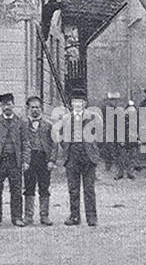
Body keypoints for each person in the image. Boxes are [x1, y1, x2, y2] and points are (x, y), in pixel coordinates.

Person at [0, 93, 27, 226]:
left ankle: (17, 217)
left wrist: (25, 161)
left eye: (9, 104)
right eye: (4, 104)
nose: (7, 107)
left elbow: (26, 143)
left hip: (15, 160)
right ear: (0, 107)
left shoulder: (21, 122)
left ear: (13, 105)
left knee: (16, 190)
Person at [61, 91, 101, 226]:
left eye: (80, 102)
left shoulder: (93, 118)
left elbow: (100, 136)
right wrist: (68, 147)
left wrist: (93, 149)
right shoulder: (66, 118)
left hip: (88, 156)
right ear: (71, 104)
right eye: (75, 102)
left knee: (89, 189)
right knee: (73, 189)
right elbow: (61, 136)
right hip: (72, 156)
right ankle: (74, 216)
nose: (77, 104)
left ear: (85, 103)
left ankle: (92, 217)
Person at [22, 94, 56, 225]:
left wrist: (52, 160)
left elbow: (54, 144)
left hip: (43, 158)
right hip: (29, 158)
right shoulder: (23, 124)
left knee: (44, 186)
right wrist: (24, 160)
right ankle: (28, 216)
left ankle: (44, 215)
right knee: (29, 186)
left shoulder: (48, 125)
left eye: (37, 107)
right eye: (32, 107)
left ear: (41, 108)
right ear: (28, 109)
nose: (35, 110)